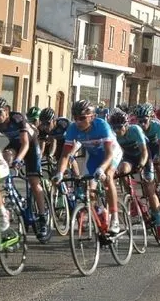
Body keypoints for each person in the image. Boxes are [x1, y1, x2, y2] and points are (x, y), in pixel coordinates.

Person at [53, 99, 123, 233]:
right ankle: (101, 211)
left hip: (112, 154)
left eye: (82, 118)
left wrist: (101, 169)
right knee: (88, 188)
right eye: (75, 118)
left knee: (108, 178)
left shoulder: (102, 126)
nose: (78, 121)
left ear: (92, 117)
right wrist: (60, 173)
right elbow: (65, 155)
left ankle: (115, 219)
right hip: (94, 157)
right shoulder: (73, 129)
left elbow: (109, 155)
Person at [0, 97, 49, 238]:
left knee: (34, 183)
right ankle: (8, 198)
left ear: (7, 111)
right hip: (14, 145)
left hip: (31, 145)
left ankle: (42, 216)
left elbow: (25, 144)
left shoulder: (17, 118)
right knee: (5, 156)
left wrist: (19, 160)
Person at [109, 110, 160, 239]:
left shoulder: (135, 130)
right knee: (122, 171)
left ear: (127, 125)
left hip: (144, 157)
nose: (118, 130)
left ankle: (159, 225)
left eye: (120, 127)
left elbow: (145, 152)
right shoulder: (113, 135)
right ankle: (132, 199)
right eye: (115, 128)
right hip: (129, 157)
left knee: (149, 187)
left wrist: (141, 165)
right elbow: (113, 154)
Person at [134, 104, 160, 207]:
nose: (142, 124)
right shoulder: (136, 127)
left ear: (150, 118)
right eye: (139, 121)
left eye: (145, 120)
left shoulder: (157, 124)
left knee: (158, 166)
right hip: (146, 148)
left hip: (156, 145)